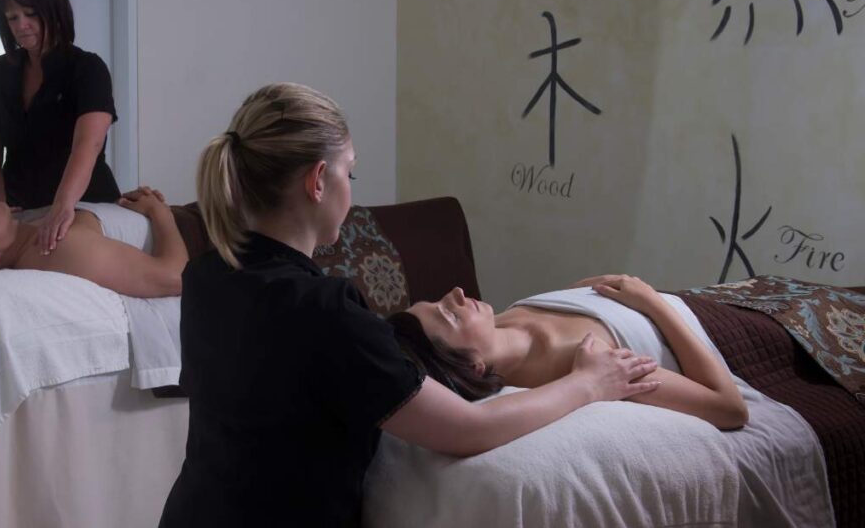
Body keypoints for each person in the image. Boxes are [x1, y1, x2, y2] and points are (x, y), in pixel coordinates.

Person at [158, 82, 662, 528]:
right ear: (317, 182)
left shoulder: (205, 277)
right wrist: (588, 384)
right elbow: (470, 430)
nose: (351, 191)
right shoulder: (324, 309)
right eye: (349, 174)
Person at [389, 275, 749, 430]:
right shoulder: (582, 358)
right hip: (724, 331)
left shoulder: (503, 319)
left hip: (702, 298)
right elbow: (730, 409)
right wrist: (652, 302)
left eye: (438, 302)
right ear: (474, 367)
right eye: (449, 315)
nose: (455, 293)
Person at [0, 0, 121, 256]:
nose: (21, 26)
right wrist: (3, 211)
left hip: (84, 206)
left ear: (53, 10)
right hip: (21, 210)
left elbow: (87, 145)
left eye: (30, 14)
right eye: (11, 18)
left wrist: (62, 207)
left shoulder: (87, 68)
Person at [0, 187, 188, 299]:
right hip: (200, 235)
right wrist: (159, 213)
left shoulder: (29, 232)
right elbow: (176, 278)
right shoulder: (59, 247)